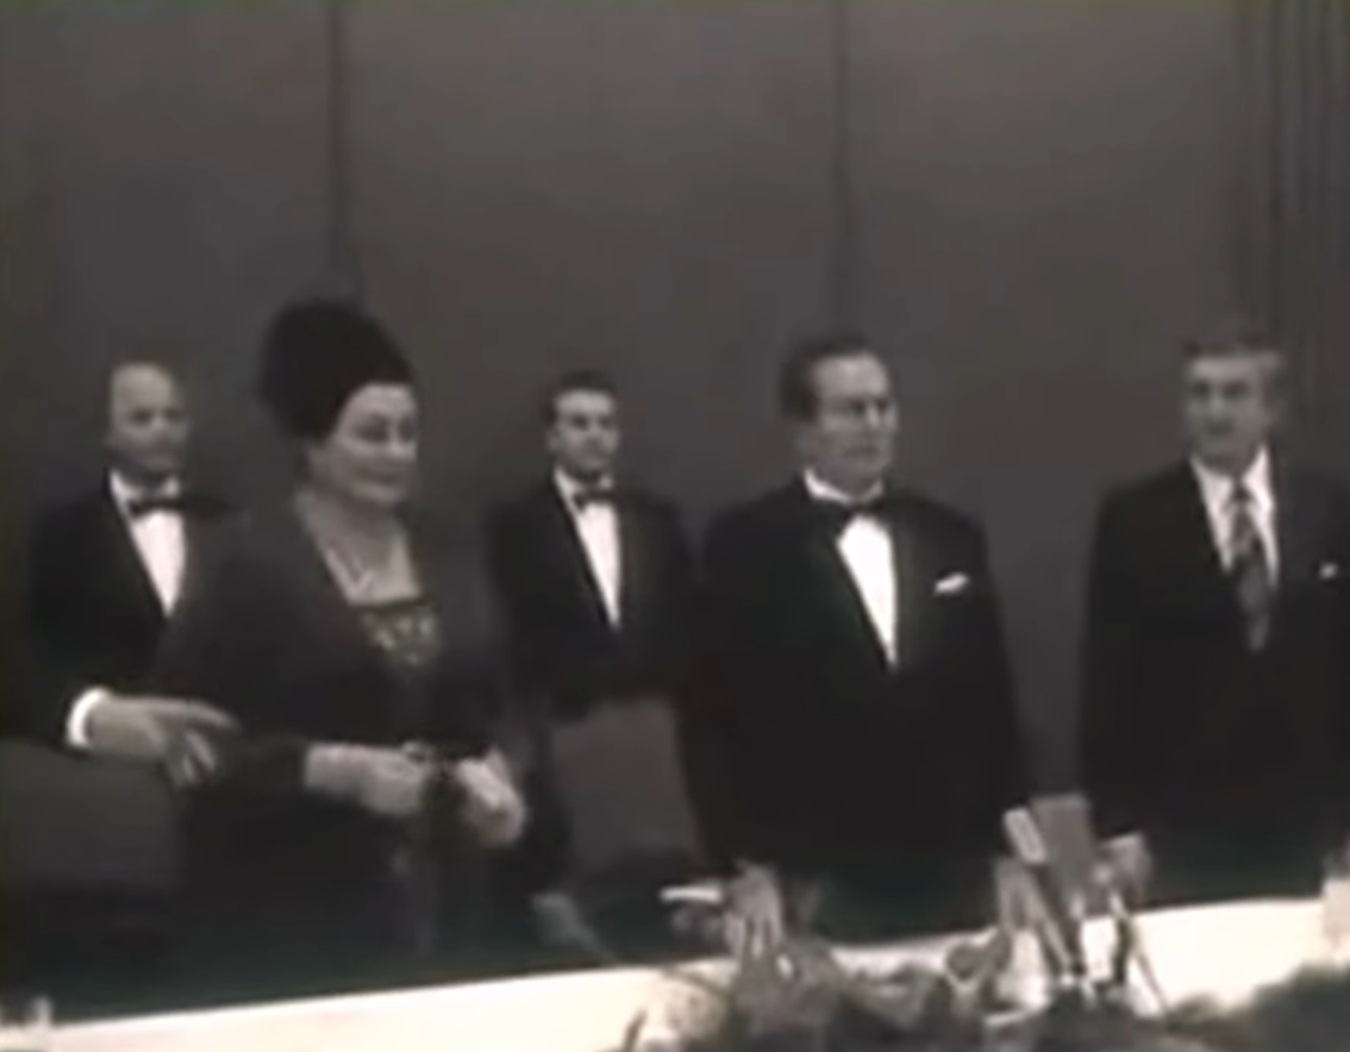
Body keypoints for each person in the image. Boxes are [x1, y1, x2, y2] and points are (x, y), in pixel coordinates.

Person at [150, 299, 532, 1002]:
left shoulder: (449, 551)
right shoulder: (245, 564)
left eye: (408, 434)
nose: (396, 454)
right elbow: (186, 744)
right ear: (313, 441)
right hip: (294, 921)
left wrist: (504, 776)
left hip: (450, 913)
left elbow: (508, 703)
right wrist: (324, 770)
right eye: (372, 434)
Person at [689, 331, 1028, 941]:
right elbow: (714, 718)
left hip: (952, 863)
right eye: (851, 410)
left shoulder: (950, 534)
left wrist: (1013, 848)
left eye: (883, 406)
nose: (873, 424)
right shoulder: (745, 546)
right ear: (801, 429)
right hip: (817, 870)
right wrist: (743, 865)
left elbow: (993, 701)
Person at [1080, 329, 1350, 904]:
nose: (1215, 412)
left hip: (1312, 829)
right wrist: (1119, 827)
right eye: (1200, 393)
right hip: (1184, 834)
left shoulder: (1328, 510)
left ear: (1271, 407)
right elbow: (1108, 684)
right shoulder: (1135, 520)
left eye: (1234, 393)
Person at [485, 369, 702, 962]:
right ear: (551, 437)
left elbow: (685, 614)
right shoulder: (515, 526)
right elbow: (510, 631)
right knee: (585, 892)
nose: (594, 436)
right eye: (578, 423)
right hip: (564, 728)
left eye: (606, 424)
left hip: (653, 736)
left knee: (667, 885)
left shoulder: (657, 519)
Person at [17, 359, 237, 780]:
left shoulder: (229, 524)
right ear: (108, 434)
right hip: (111, 774)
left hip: (226, 760)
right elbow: (42, 658)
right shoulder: (65, 535)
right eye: (141, 418)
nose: (162, 430)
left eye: (173, 416)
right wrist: (97, 717)